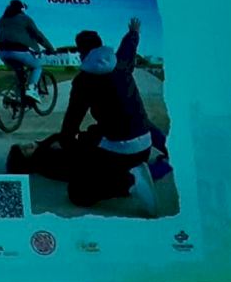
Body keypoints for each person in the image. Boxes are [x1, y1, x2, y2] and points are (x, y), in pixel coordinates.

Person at [59, 17, 158, 213]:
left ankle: (130, 181)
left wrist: (67, 146)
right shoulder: (121, 62)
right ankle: (132, 170)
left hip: (122, 152)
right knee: (94, 132)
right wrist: (133, 32)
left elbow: (72, 121)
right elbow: (129, 47)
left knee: (77, 193)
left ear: (81, 53)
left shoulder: (83, 80)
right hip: (146, 146)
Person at [0, 0, 55, 99]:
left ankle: (17, 94)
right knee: (37, 66)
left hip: (2, 52)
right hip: (18, 51)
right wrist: (50, 48)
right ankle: (32, 89)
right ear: (22, 9)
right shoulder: (25, 19)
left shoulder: (2, 19)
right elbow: (38, 35)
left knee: (20, 73)